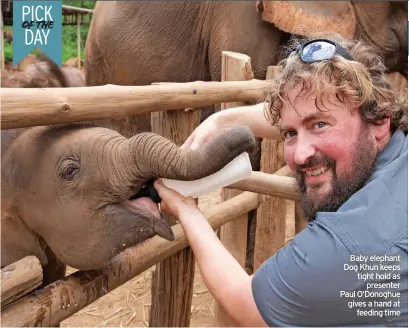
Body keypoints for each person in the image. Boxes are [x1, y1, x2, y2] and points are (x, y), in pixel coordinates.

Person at [154, 34, 408, 326]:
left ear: (379, 122)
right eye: (290, 134)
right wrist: (222, 120)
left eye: (320, 124)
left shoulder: (346, 249)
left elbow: (246, 301)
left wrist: (187, 210)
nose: (299, 156)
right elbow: (300, 117)